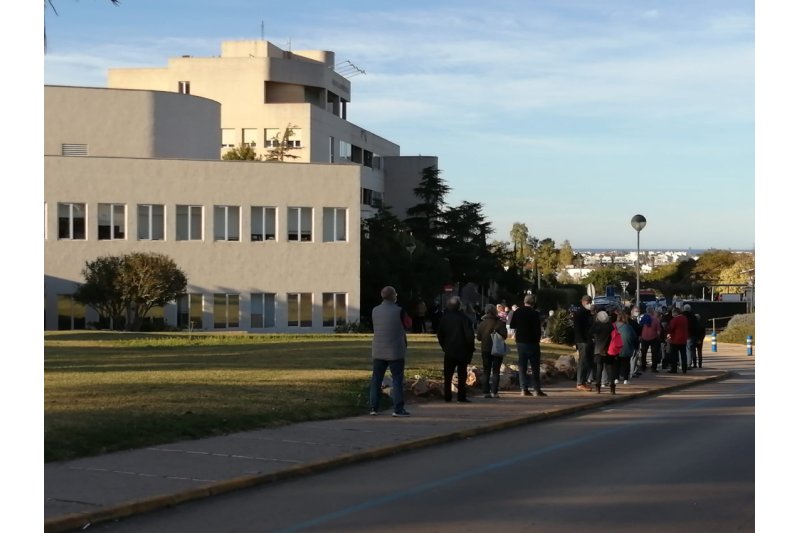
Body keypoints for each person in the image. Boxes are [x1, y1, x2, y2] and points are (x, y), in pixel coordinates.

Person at [369, 286, 411, 416]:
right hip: (395, 350)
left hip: (378, 350)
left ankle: (374, 407)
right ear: (393, 296)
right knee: (397, 380)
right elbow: (408, 325)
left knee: (376, 379)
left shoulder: (375, 310)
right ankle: (398, 409)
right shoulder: (399, 311)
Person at [437, 296, 476, 403]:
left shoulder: (445, 318)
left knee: (448, 374)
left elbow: (440, 334)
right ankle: (461, 396)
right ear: (459, 306)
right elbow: (469, 336)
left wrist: (444, 346)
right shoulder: (464, 318)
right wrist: (470, 348)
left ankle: (447, 396)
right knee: (462, 374)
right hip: (462, 349)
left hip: (449, 349)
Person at [509, 294, 547, 397]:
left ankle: (523, 388)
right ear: (533, 302)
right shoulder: (535, 313)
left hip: (521, 341)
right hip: (533, 342)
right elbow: (538, 328)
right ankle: (536, 389)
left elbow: (512, 325)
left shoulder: (517, 312)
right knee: (535, 367)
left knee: (522, 366)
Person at [475, 304, 508, 398]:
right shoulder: (500, 323)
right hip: (497, 348)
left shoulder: (482, 323)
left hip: (485, 348)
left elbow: (478, 337)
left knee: (486, 370)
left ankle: (486, 391)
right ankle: (494, 391)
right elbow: (504, 336)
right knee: (496, 371)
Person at [590, 310, 617, 394]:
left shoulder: (597, 326)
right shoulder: (610, 326)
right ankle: (612, 388)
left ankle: (598, 387)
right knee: (609, 369)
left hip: (598, 350)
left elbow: (590, 332)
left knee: (599, 369)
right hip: (608, 350)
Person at [573, 295, 595, 392]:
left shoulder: (587, 312)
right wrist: (581, 341)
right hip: (583, 341)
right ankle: (580, 382)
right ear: (583, 302)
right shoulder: (580, 313)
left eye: (590, 301)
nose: (589, 304)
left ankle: (583, 381)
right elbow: (578, 329)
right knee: (583, 361)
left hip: (587, 340)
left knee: (588, 362)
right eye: (588, 302)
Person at [615, 310, 637, 384]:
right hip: (626, 348)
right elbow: (634, 337)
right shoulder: (629, 327)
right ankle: (625, 379)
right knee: (626, 363)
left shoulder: (613, 326)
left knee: (616, 363)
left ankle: (616, 378)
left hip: (615, 348)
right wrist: (635, 347)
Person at [639, 306, 662, 372]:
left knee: (644, 352)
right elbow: (658, 331)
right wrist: (658, 336)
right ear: (652, 312)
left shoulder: (643, 318)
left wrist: (640, 335)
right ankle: (654, 368)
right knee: (654, 353)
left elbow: (640, 327)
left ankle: (643, 367)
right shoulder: (655, 320)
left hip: (644, 337)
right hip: (654, 338)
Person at [666, 307, 689, 374]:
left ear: (676, 312)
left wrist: (667, 329)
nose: (672, 314)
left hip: (675, 339)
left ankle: (674, 369)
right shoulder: (685, 318)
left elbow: (671, 328)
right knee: (683, 355)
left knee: (674, 356)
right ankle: (684, 369)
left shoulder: (675, 319)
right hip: (683, 339)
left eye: (673, 312)